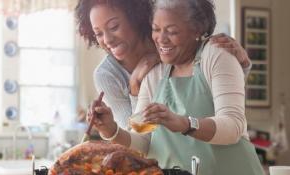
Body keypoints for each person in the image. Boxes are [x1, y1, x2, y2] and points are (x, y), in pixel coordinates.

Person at [87, 0, 265, 174]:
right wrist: (110, 130)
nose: (161, 39)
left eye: (171, 31)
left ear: (196, 30)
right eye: (156, 29)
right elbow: (144, 141)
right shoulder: (154, 73)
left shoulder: (216, 54)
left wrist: (184, 123)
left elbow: (233, 126)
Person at [75, 0, 252, 130]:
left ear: (135, 18)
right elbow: (133, 136)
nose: (107, 40)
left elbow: (218, 95)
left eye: (114, 27)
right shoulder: (106, 75)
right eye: (98, 33)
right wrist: (135, 85)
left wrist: (241, 64)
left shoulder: (171, 46)